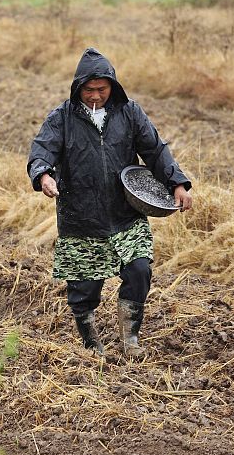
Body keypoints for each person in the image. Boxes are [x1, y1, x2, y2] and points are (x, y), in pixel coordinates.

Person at [27, 47, 192, 357]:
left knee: (139, 270)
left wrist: (178, 183)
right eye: (88, 89)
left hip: (125, 214)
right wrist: (43, 176)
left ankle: (131, 340)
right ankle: (91, 342)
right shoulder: (62, 118)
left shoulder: (130, 113)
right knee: (84, 287)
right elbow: (41, 152)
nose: (95, 95)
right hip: (81, 217)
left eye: (102, 89)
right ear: (78, 88)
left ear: (113, 87)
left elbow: (155, 150)